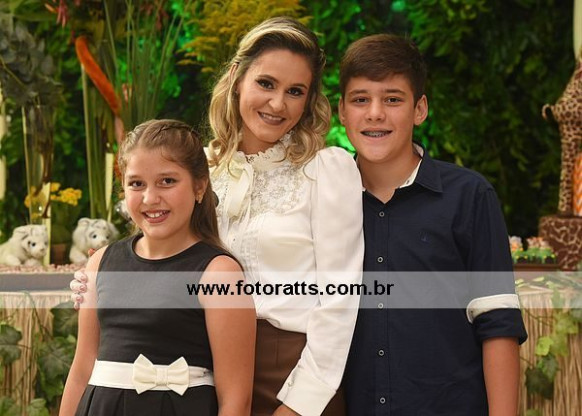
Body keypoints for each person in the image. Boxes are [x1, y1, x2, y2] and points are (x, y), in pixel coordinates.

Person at [71, 18, 364, 416]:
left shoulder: (326, 170)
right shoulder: (200, 169)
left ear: (309, 101)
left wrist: (300, 405)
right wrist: (98, 284)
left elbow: (340, 302)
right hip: (200, 375)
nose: (278, 103)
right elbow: (158, 258)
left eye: (295, 91)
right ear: (237, 79)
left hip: (290, 378)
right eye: (266, 83)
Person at [338, 34, 527, 415]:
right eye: (360, 99)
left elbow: (498, 324)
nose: (375, 113)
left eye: (393, 99)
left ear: (419, 109)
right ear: (341, 112)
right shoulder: (325, 199)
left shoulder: (470, 196)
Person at [60, 119, 255, 416]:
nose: (150, 198)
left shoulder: (219, 274)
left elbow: (236, 400)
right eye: (136, 184)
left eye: (167, 181)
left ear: (199, 186)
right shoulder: (101, 262)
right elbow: (81, 369)